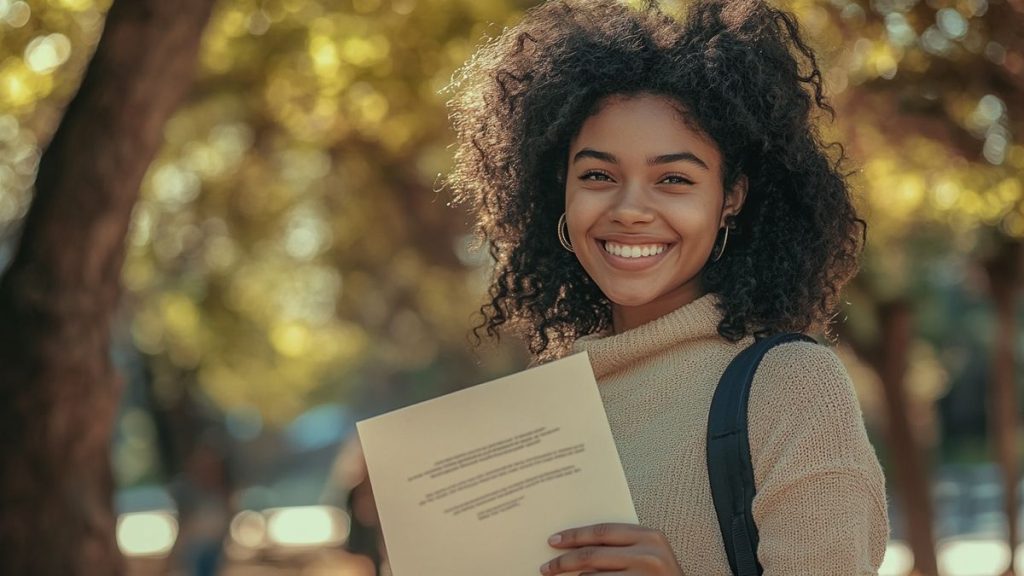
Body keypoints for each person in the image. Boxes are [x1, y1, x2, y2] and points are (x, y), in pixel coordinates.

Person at [445, 0, 889, 574]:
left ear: (730, 198)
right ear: (561, 190)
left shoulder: (791, 388)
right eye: (598, 176)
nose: (630, 210)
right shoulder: (543, 401)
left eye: (673, 179)